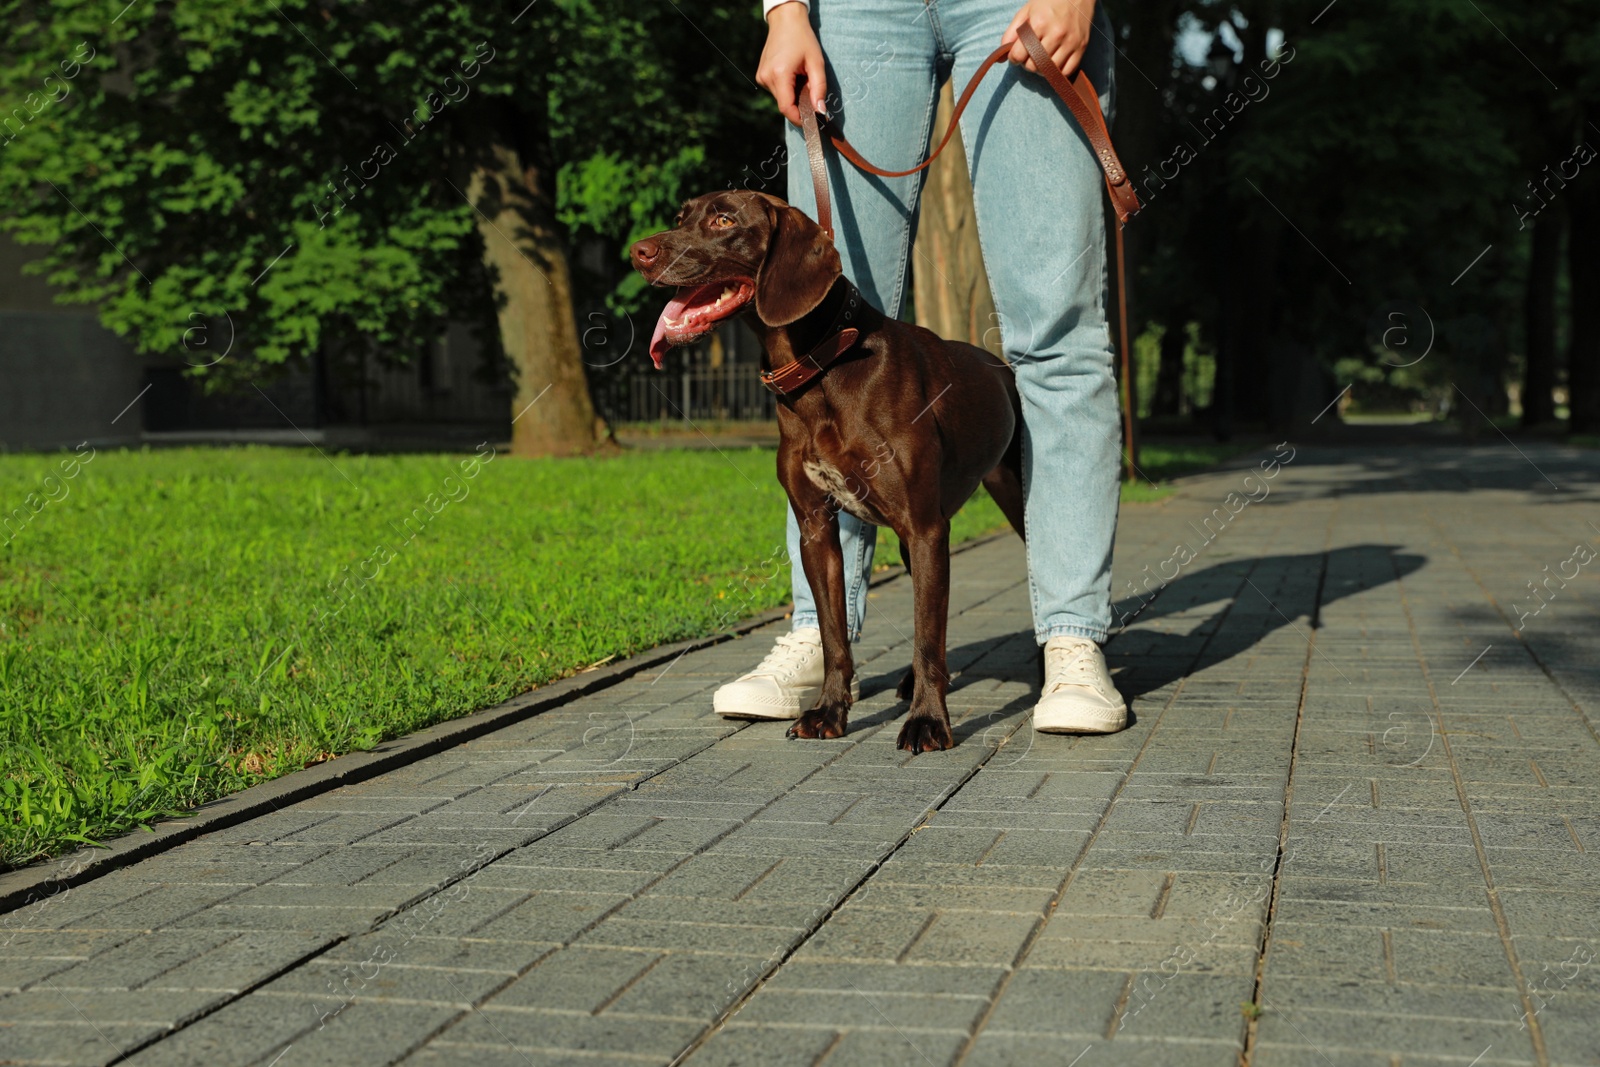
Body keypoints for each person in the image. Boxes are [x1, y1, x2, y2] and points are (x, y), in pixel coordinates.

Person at [713, 0, 1128, 735]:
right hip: (851, 11)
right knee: (815, 318)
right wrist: (781, 9)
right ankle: (819, 632)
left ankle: (1072, 637)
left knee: (1056, 327)